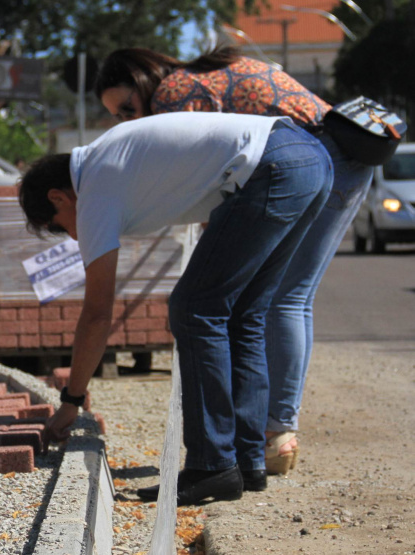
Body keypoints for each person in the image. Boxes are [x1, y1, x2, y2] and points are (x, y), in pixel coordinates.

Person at [20, 111, 332, 505]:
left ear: (58, 197)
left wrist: (71, 401)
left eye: (63, 226)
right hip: (312, 160)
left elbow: (98, 312)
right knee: (243, 314)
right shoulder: (112, 157)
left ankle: (212, 465)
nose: (73, 234)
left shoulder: (94, 185)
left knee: (193, 307)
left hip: (273, 165)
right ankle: (246, 460)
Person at [92, 46, 374, 475]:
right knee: (292, 298)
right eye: (116, 116)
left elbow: (206, 170)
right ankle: (274, 432)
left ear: (144, 79)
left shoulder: (175, 94)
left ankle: (274, 434)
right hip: (348, 152)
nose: (128, 120)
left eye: (127, 107)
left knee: (279, 299)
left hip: (320, 156)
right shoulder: (199, 75)